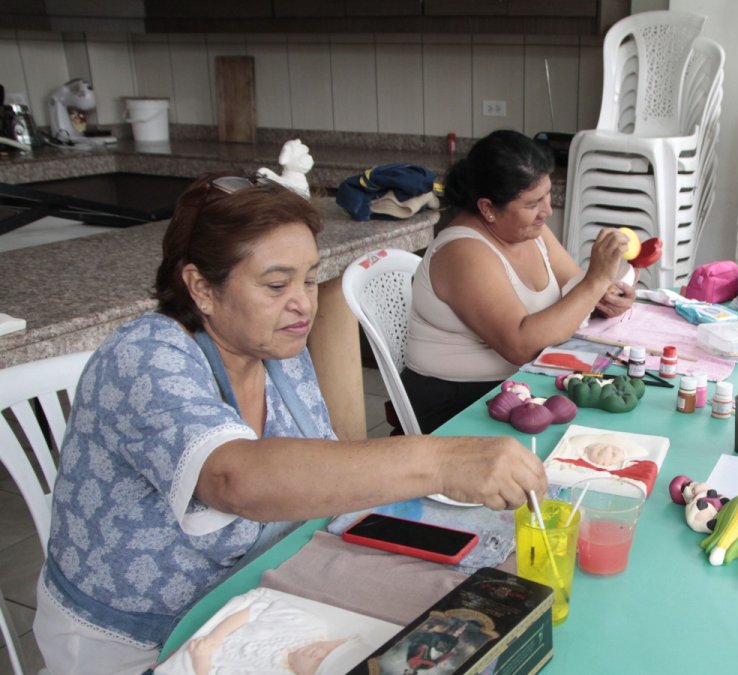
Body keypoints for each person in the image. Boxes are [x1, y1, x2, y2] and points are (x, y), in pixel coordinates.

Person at [32, 176, 548, 675]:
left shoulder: (275, 349)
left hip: (257, 604)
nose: (303, 302)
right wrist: (440, 460)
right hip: (144, 644)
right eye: (277, 284)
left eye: (308, 278)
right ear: (201, 288)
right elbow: (234, 479)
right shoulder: (144, 356)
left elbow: (320, 473)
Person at [403, 130, 636, 432]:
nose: (547, 211)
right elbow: (519, 345)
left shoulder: (526, 231)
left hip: (522, 383)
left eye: (547, 194)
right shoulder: (463, 253)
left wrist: (605, 293)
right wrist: (595, 282)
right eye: (532, 203)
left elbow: (574, 288)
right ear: (487, 208)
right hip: (460, 403)